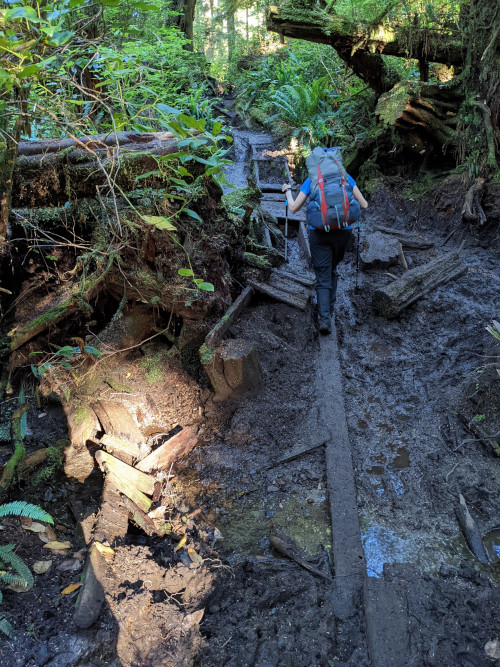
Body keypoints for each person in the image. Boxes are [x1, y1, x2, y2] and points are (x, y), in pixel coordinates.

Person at [281, 168, 368, 335]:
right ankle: (331, 308)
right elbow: (363, 204)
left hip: (319, 233)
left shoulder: (312, 179)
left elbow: (293, 208)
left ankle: (325, 320)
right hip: (343, 233)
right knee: (333, 268)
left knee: (322, 275)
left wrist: (287, 191)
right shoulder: (346, 176)